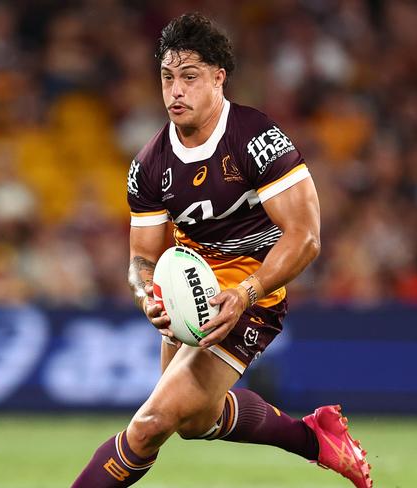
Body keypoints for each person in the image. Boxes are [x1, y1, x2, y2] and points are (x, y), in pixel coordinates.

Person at [70, 13, 372, 488]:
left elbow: (306, 236)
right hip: (189, 293)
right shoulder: (150, 164)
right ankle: (315, 438)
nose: (176, 91)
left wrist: (247, 293)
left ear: (218, 78)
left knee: (148, 426)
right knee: (192, 422)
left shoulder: (256, 139)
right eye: (168, 78)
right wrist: (145, 294)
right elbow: (141, 259)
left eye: (189, 78)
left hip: (251, 298)